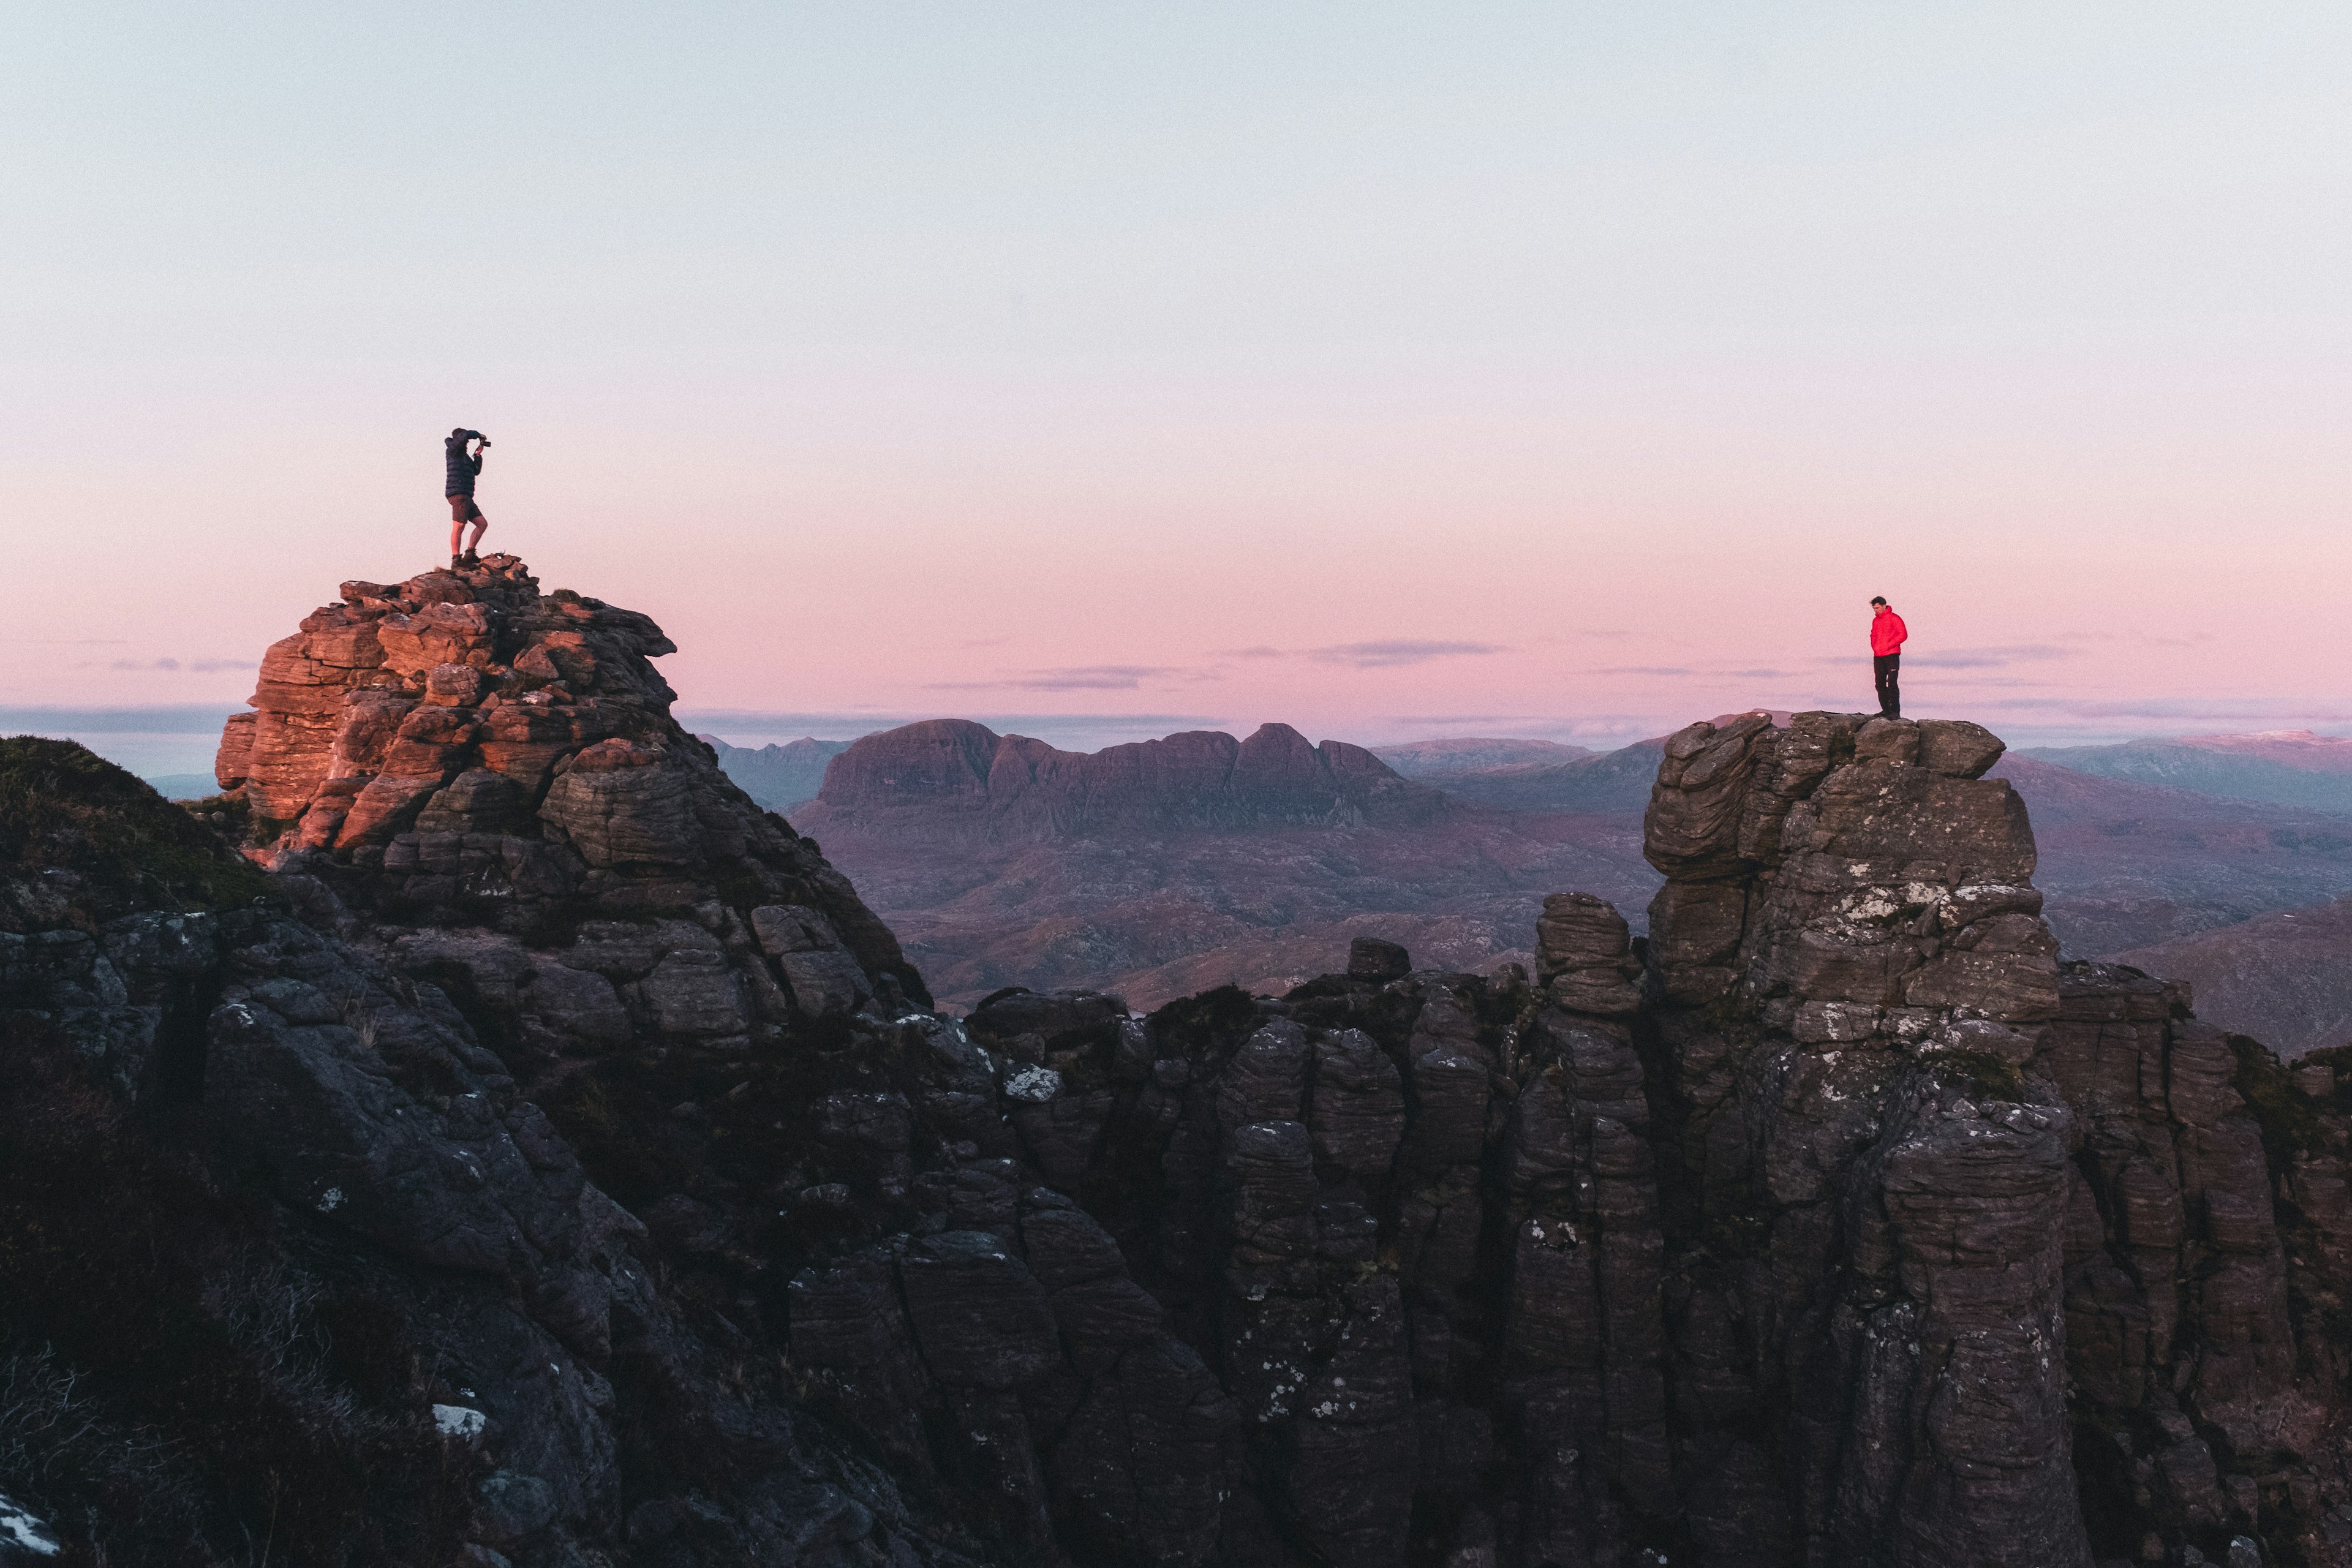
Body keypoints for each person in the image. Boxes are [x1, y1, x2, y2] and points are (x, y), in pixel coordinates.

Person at [445, 428, 491, 568]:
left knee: (482, 524)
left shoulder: (464, 457)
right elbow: (465, 435)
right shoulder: (453, 451)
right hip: (458, 494)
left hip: (467, 496)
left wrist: (478, 456)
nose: (467, 443)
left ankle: (470, 553)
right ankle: (456, 559)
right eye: (465, 441)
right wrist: (479, 435)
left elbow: (476, 471)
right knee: (459, 526)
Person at [1869, 595, 1907, 718]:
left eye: (1878, 608)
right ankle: (1886, 710)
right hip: (1878, 656)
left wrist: (1889, 645)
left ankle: (1895, 712)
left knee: (1892, 683)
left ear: (1884, 606)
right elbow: (1873, 635)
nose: (1876, 611)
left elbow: (1903, 634)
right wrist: (1875, 647)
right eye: (1874, 609)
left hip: (1892, 655)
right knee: (1879, 684)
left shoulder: (1894, 618)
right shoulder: (1876, 621)